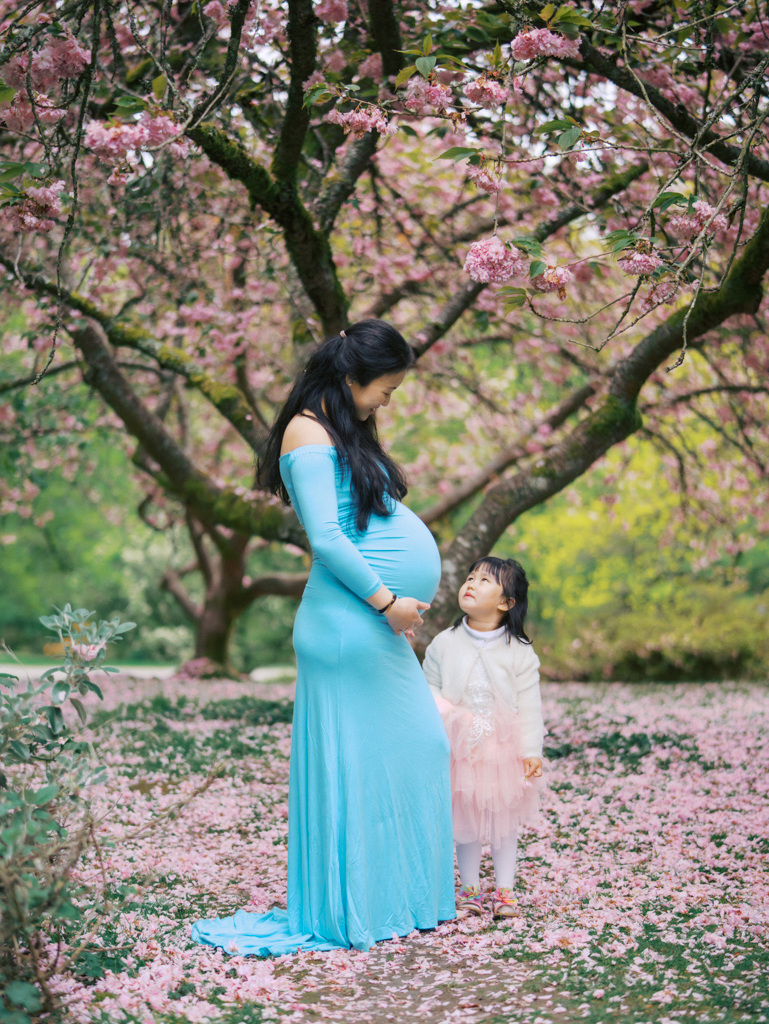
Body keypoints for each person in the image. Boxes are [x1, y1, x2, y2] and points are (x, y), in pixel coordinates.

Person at [191, 319, 455, 955]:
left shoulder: (341, 431)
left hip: (363, 624)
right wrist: (389, 601)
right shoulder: (306, 431)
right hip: (347, 625)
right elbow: (328, 536)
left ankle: (390, 900)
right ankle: (353, 908)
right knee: (369, 763)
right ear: (349, 376)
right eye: (383, 389)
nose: (386, 401)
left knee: (413, 752)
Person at [422, 557, 545, 920]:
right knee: (467, 822)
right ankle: (470, 888)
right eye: (469, 577)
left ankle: (505, 890)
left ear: (505, 602)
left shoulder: (519, 651)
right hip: (462, 749)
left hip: (504, 752)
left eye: (484, 580)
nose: (471, 583)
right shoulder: (445, 642)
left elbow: (530, 705)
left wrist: (531, 750)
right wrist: (451, 715)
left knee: (504, 823)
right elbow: (427, 687)